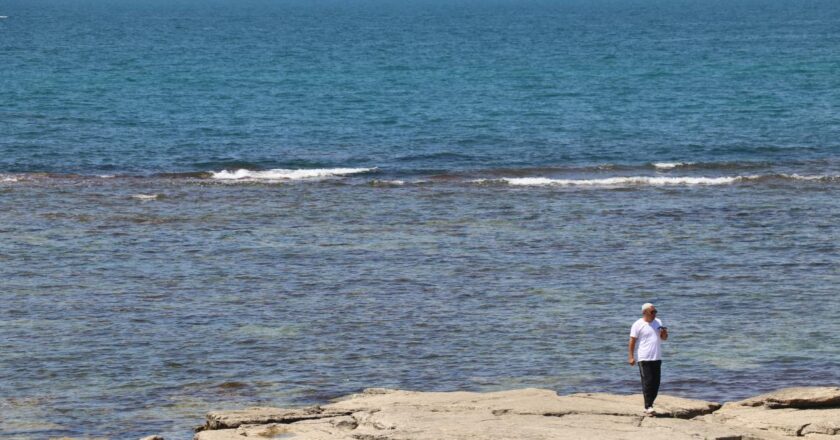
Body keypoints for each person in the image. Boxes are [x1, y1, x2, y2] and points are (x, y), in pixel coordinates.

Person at [628, 303, 668, 415]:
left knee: (656, 383)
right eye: (652, 312)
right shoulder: (637, 324)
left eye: (655, 312)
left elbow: (664, 338)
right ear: (644, 312)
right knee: (648, 382)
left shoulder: (658, 322)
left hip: (657, 357)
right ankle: (648, 406)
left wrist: (664, 333)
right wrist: (631, 356)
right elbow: (632, 341)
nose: (654, 314)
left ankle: (650, 404)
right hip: (644, 358)